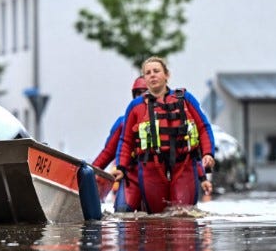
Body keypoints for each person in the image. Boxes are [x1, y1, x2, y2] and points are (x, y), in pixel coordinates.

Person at [113, 56, 215, 213]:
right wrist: (121, 167)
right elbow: (126, 141)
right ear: (144, 79)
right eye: (148, 73)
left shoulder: (185, 99)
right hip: (151, 169)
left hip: (183, 166)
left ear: (167, 75)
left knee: (183, 218)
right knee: (157, 221)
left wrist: (208, 154)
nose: (152, 75)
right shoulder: (135, 107)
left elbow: (203, 127)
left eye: (156, 71)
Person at [92, 76, 147, 208]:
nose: (142, 98)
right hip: (131, 176)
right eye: (139, 94)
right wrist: (90, 171)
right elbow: (108, 153)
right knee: (123, 211)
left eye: (146, 93)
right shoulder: (124, 123)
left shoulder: (166, 120)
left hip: (158, 178)